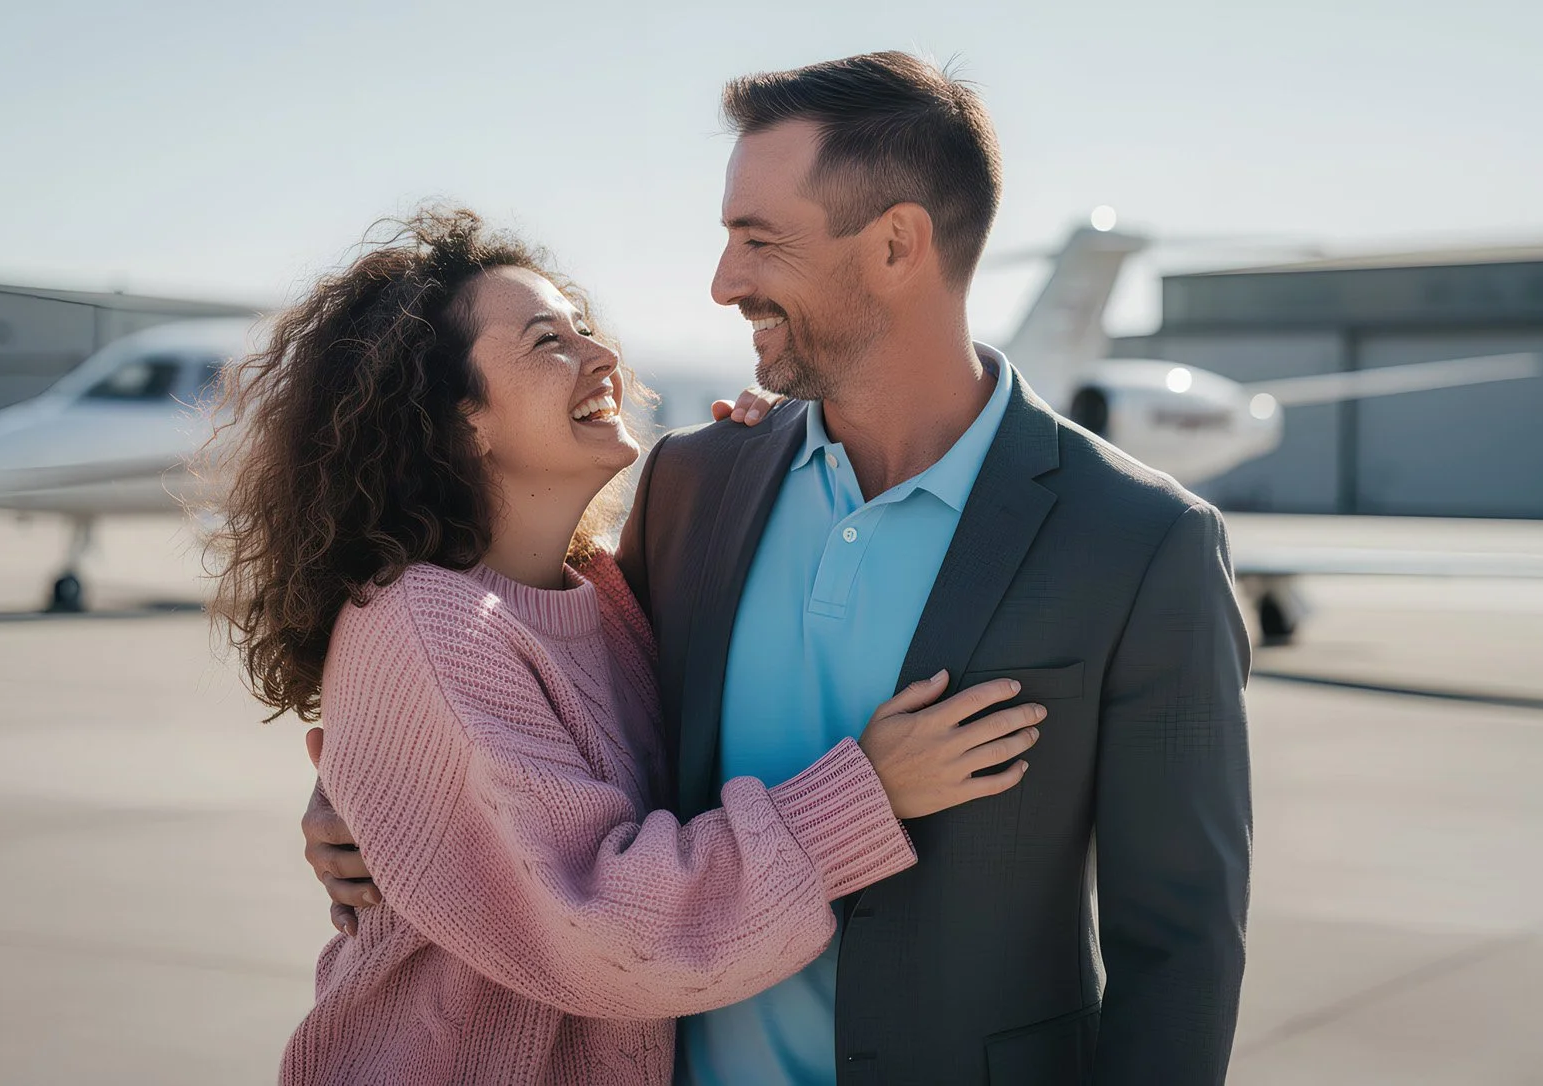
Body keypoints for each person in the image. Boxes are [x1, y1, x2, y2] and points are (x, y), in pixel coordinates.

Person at [303, 53, 1253, 1085]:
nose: (722, 283)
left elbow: (1180, 951)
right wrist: (378, 801)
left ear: (896, 245)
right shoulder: (696, 484)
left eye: (758, 242)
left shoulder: (1138, 540)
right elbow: (525, 735)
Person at [206, 209, 1047, 1085]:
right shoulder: (428, 622)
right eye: (547, 343)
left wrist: (784, 438)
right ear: (461, 421)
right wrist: (866, 796)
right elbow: (607, 933)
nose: (601, 355)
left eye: (585, 329)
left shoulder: (605, 599)